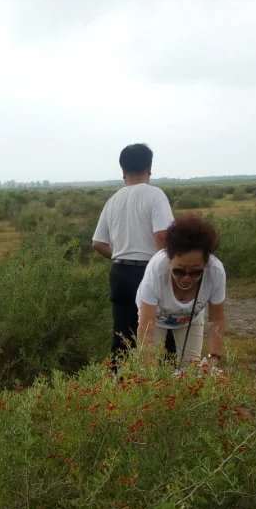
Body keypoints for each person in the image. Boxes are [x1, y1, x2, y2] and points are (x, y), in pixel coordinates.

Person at [92, 143, 174, 362]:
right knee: (164, 336)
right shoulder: (155, 195)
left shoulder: (113, 200)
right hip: (150, 272)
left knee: (123, 339)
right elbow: (163, 237)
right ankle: (168, 389)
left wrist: (120, 254)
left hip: (119, 273)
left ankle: (120, 388)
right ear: (149, 168)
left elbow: (98, 243)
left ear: (123, 171)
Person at [136, 213, 226, 368]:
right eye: (178, 271)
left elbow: (217, 319)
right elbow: (147, 328)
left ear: (206, 263)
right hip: (154, 319)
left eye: (196, 272)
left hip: (190, 319)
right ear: (169, 260)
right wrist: (149, 375)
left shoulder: (216, 271)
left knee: (191, 368)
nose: (186, 278)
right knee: (148, 367)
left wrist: (213, 358)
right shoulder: (156, 270)